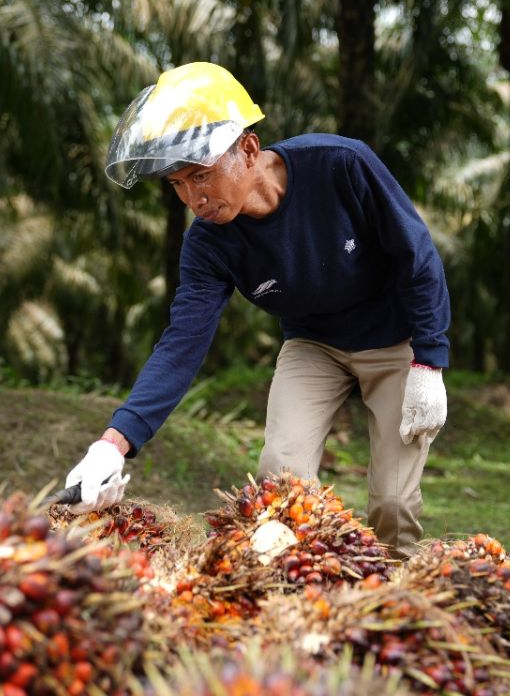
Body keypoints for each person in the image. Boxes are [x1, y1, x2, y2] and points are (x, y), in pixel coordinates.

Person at [62, 61, 450, 558]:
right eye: (177, 185)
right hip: (314, 345)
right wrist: (111, 445)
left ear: (248, 148)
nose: (193, 198)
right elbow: (181, 345)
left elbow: (416, 254)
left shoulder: (340, 165)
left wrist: (429, 360)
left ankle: (394, 603)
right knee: (279, 480)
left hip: (397, 338)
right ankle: (297, 591)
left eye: (201, 176)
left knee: (393, 503)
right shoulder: (207, 246)